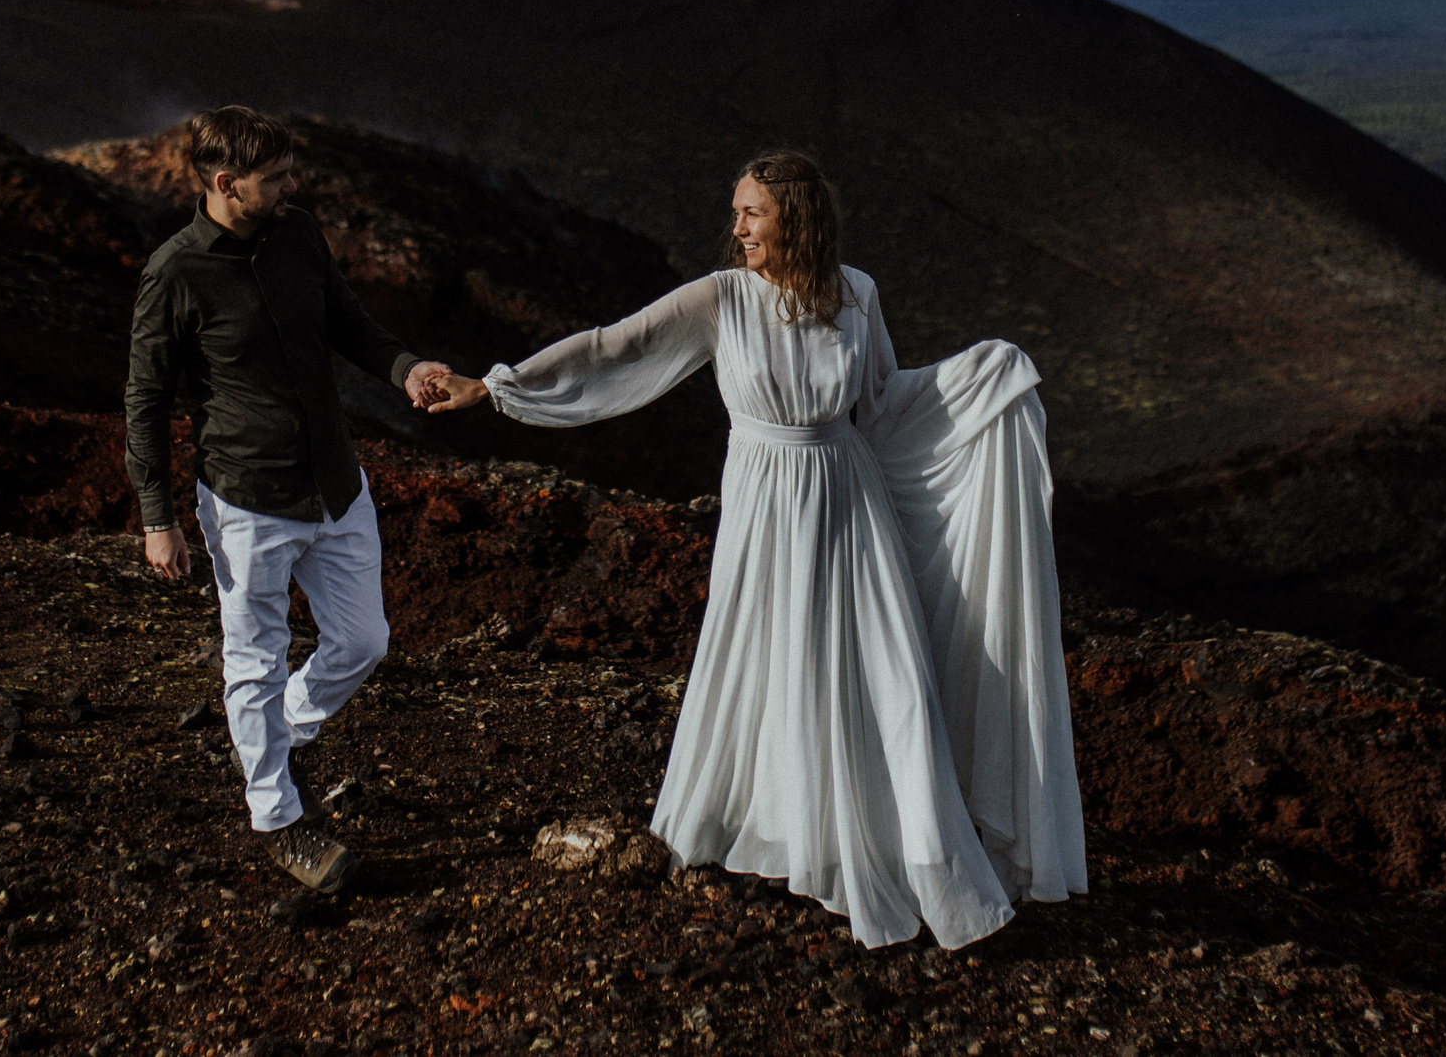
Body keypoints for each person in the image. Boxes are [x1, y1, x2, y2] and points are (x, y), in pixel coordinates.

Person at [421, 150, 1086, 949]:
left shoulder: (858, 293)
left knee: (890, 678)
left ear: (795, 219)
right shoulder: (721, 297)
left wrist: (980, 376)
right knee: (777, 667)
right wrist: (495, 386)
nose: (735, 227)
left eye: (752, 213)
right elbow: (611, 347)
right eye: (736, 211)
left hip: (850, 502)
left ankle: (919, 852)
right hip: (766, 506)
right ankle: (795, 830)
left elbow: (878, 401)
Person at [126, 106, 456, 895]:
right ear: (225, 184)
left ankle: (277, 734)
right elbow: (145, 396)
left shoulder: (297, 232)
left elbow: (347, 319)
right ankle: (277, 817)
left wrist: (404, 365)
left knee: (364, 642)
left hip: (337, 484)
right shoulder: (175, 273)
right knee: (254, 657)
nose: (292, 186)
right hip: (248, 500)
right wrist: (157, 516)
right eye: (275, 178)